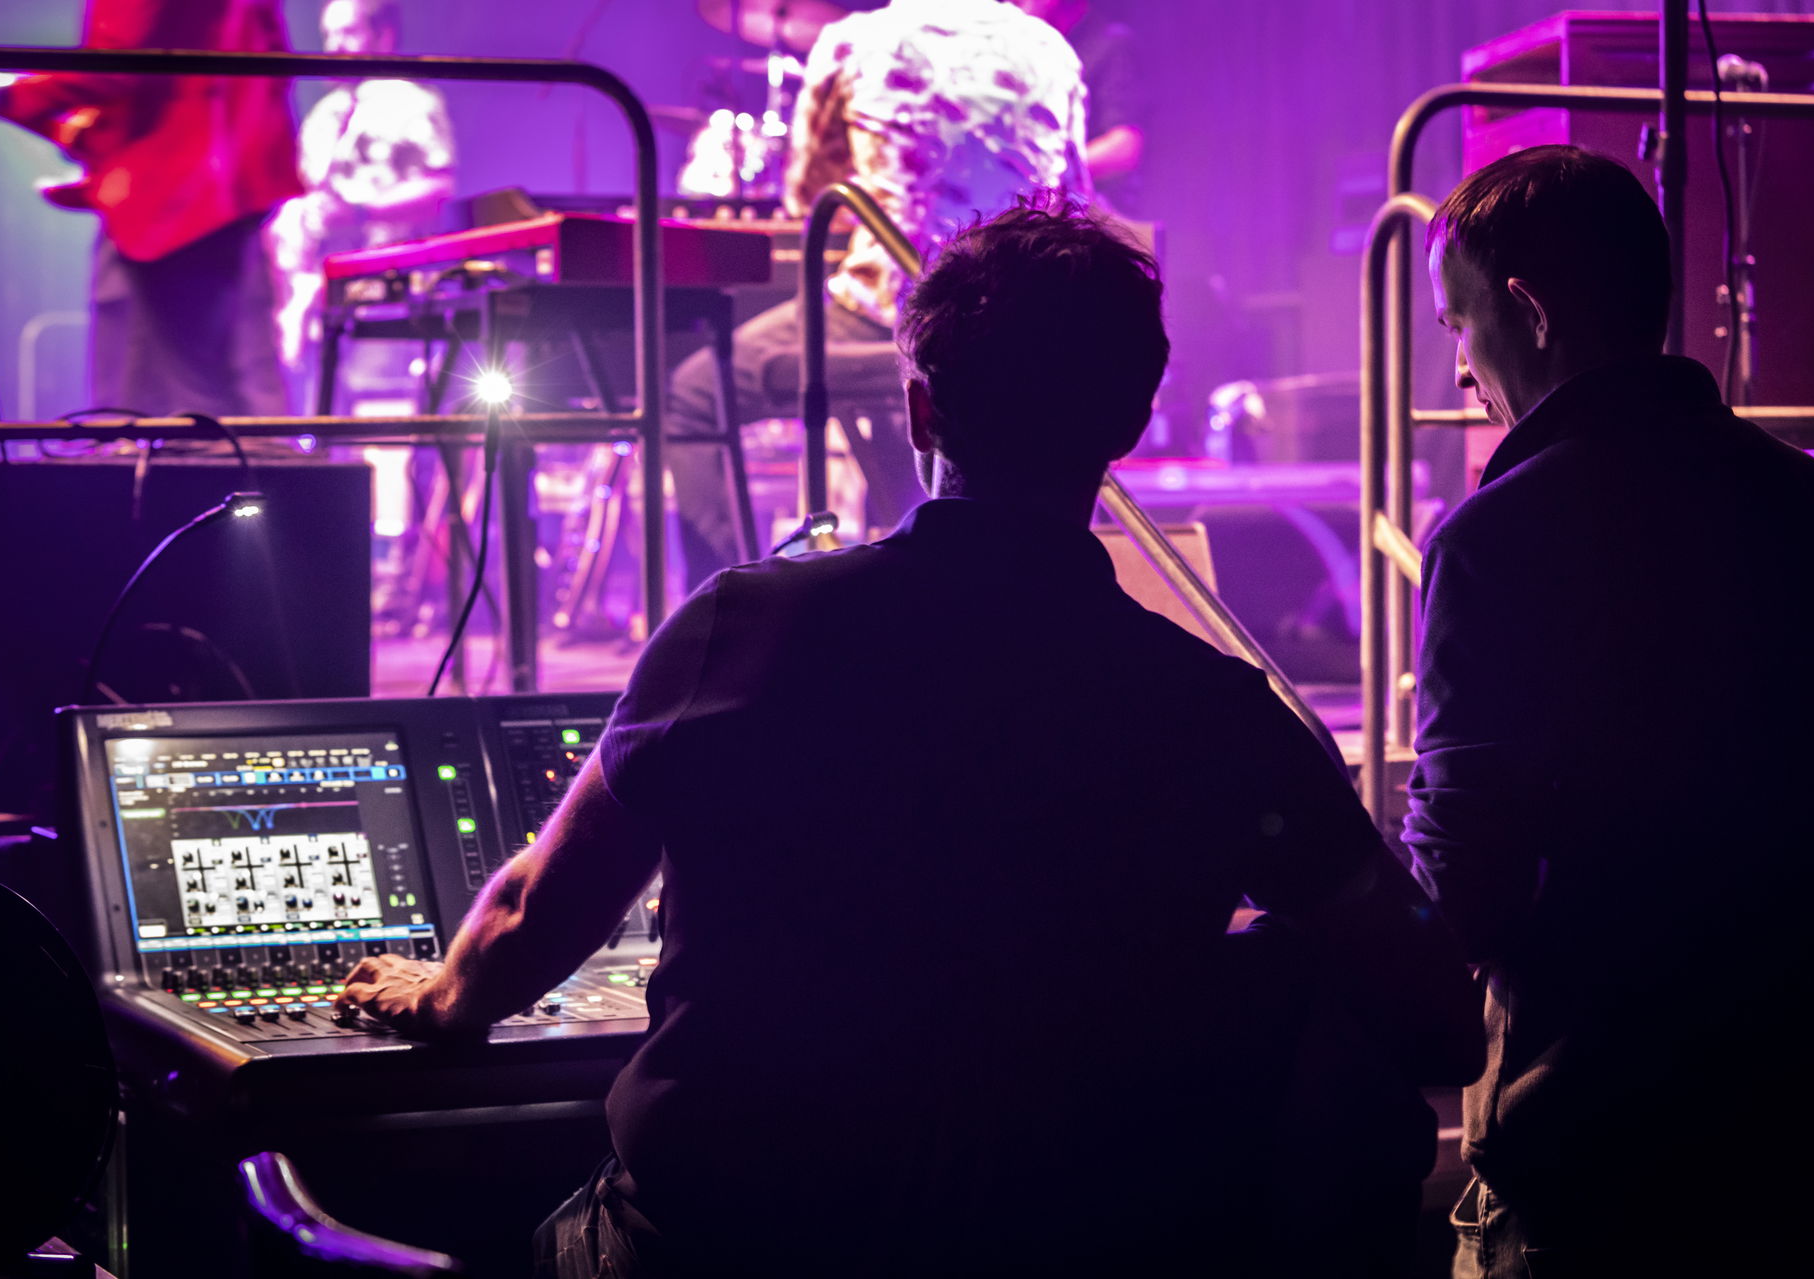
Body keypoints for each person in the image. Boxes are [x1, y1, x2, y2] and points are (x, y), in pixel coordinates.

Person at [338, 200, 1481, 1277]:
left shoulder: (744, 628)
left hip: (723, 1244)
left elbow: (542, 915)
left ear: (923, 410)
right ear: (1131, 422)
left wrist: (441, 996)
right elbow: (1432, 991)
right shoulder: (1220, 709)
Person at [1404, 144, 1814, 1277]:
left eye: (1457, 327)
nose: (1461, 374)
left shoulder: (1498, 542)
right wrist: (1803, 1018)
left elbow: (1459, 896)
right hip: (1787, 1186)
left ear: (1524, 312)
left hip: (1587, 1195)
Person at [663, 0, 1090, 593]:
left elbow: (808, 193)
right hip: (1022, 315)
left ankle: (727, 611)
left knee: (693, 393)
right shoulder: (1049, 49)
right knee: (899, 394)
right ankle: (946, 586)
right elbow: (1073, 196)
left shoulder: (857, 42)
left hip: (897, 309)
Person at [0, 0, 300, 418]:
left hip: (175, 199)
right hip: (221, 186)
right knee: (227, 383)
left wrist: (4, 94)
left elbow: (118, 65)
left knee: (174, 404)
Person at [266, 0, 456, 411]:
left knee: (381, 418)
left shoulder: (412, 103)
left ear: (383, 35)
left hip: (387, 299)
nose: (334, 45)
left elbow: (438, 188)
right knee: (319, 427)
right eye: (328, 34)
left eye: (348, 32)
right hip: (320, 304)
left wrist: (359, 212)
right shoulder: (323, 115)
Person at [1011, 0, 1145, 215]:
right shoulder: (1025, 48)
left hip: (1093, 217)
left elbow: (1124, 147)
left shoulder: (1109, 44)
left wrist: (1045, 177)